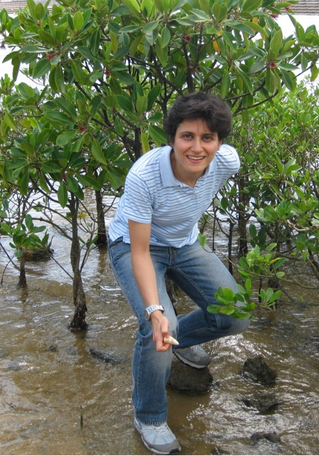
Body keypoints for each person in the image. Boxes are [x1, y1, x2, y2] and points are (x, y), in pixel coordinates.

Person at [107, 92, 249, 455]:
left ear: (219, 142)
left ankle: (175, 345)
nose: (197, 148)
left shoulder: (226, 161)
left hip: (184, 243)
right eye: (188, 136)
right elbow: (139, 251)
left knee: (235, 314)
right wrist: (155, 312)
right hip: (135, 245)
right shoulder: (144, 176)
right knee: (156, 324)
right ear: (172, 138)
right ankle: (150, 416)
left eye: (208, 138)